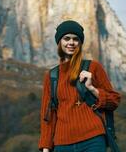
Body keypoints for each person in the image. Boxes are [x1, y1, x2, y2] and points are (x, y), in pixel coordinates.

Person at [38, 20, 121, 152]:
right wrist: (45, 148)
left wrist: (92, 88)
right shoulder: (51, 76)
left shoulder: (93, 67)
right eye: (66, 38)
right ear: (59, 42)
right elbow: (48, 116)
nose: (71, 43)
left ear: (80, 43)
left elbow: (114, 101)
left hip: (93, 139)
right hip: (62, 144)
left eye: (76, 39)